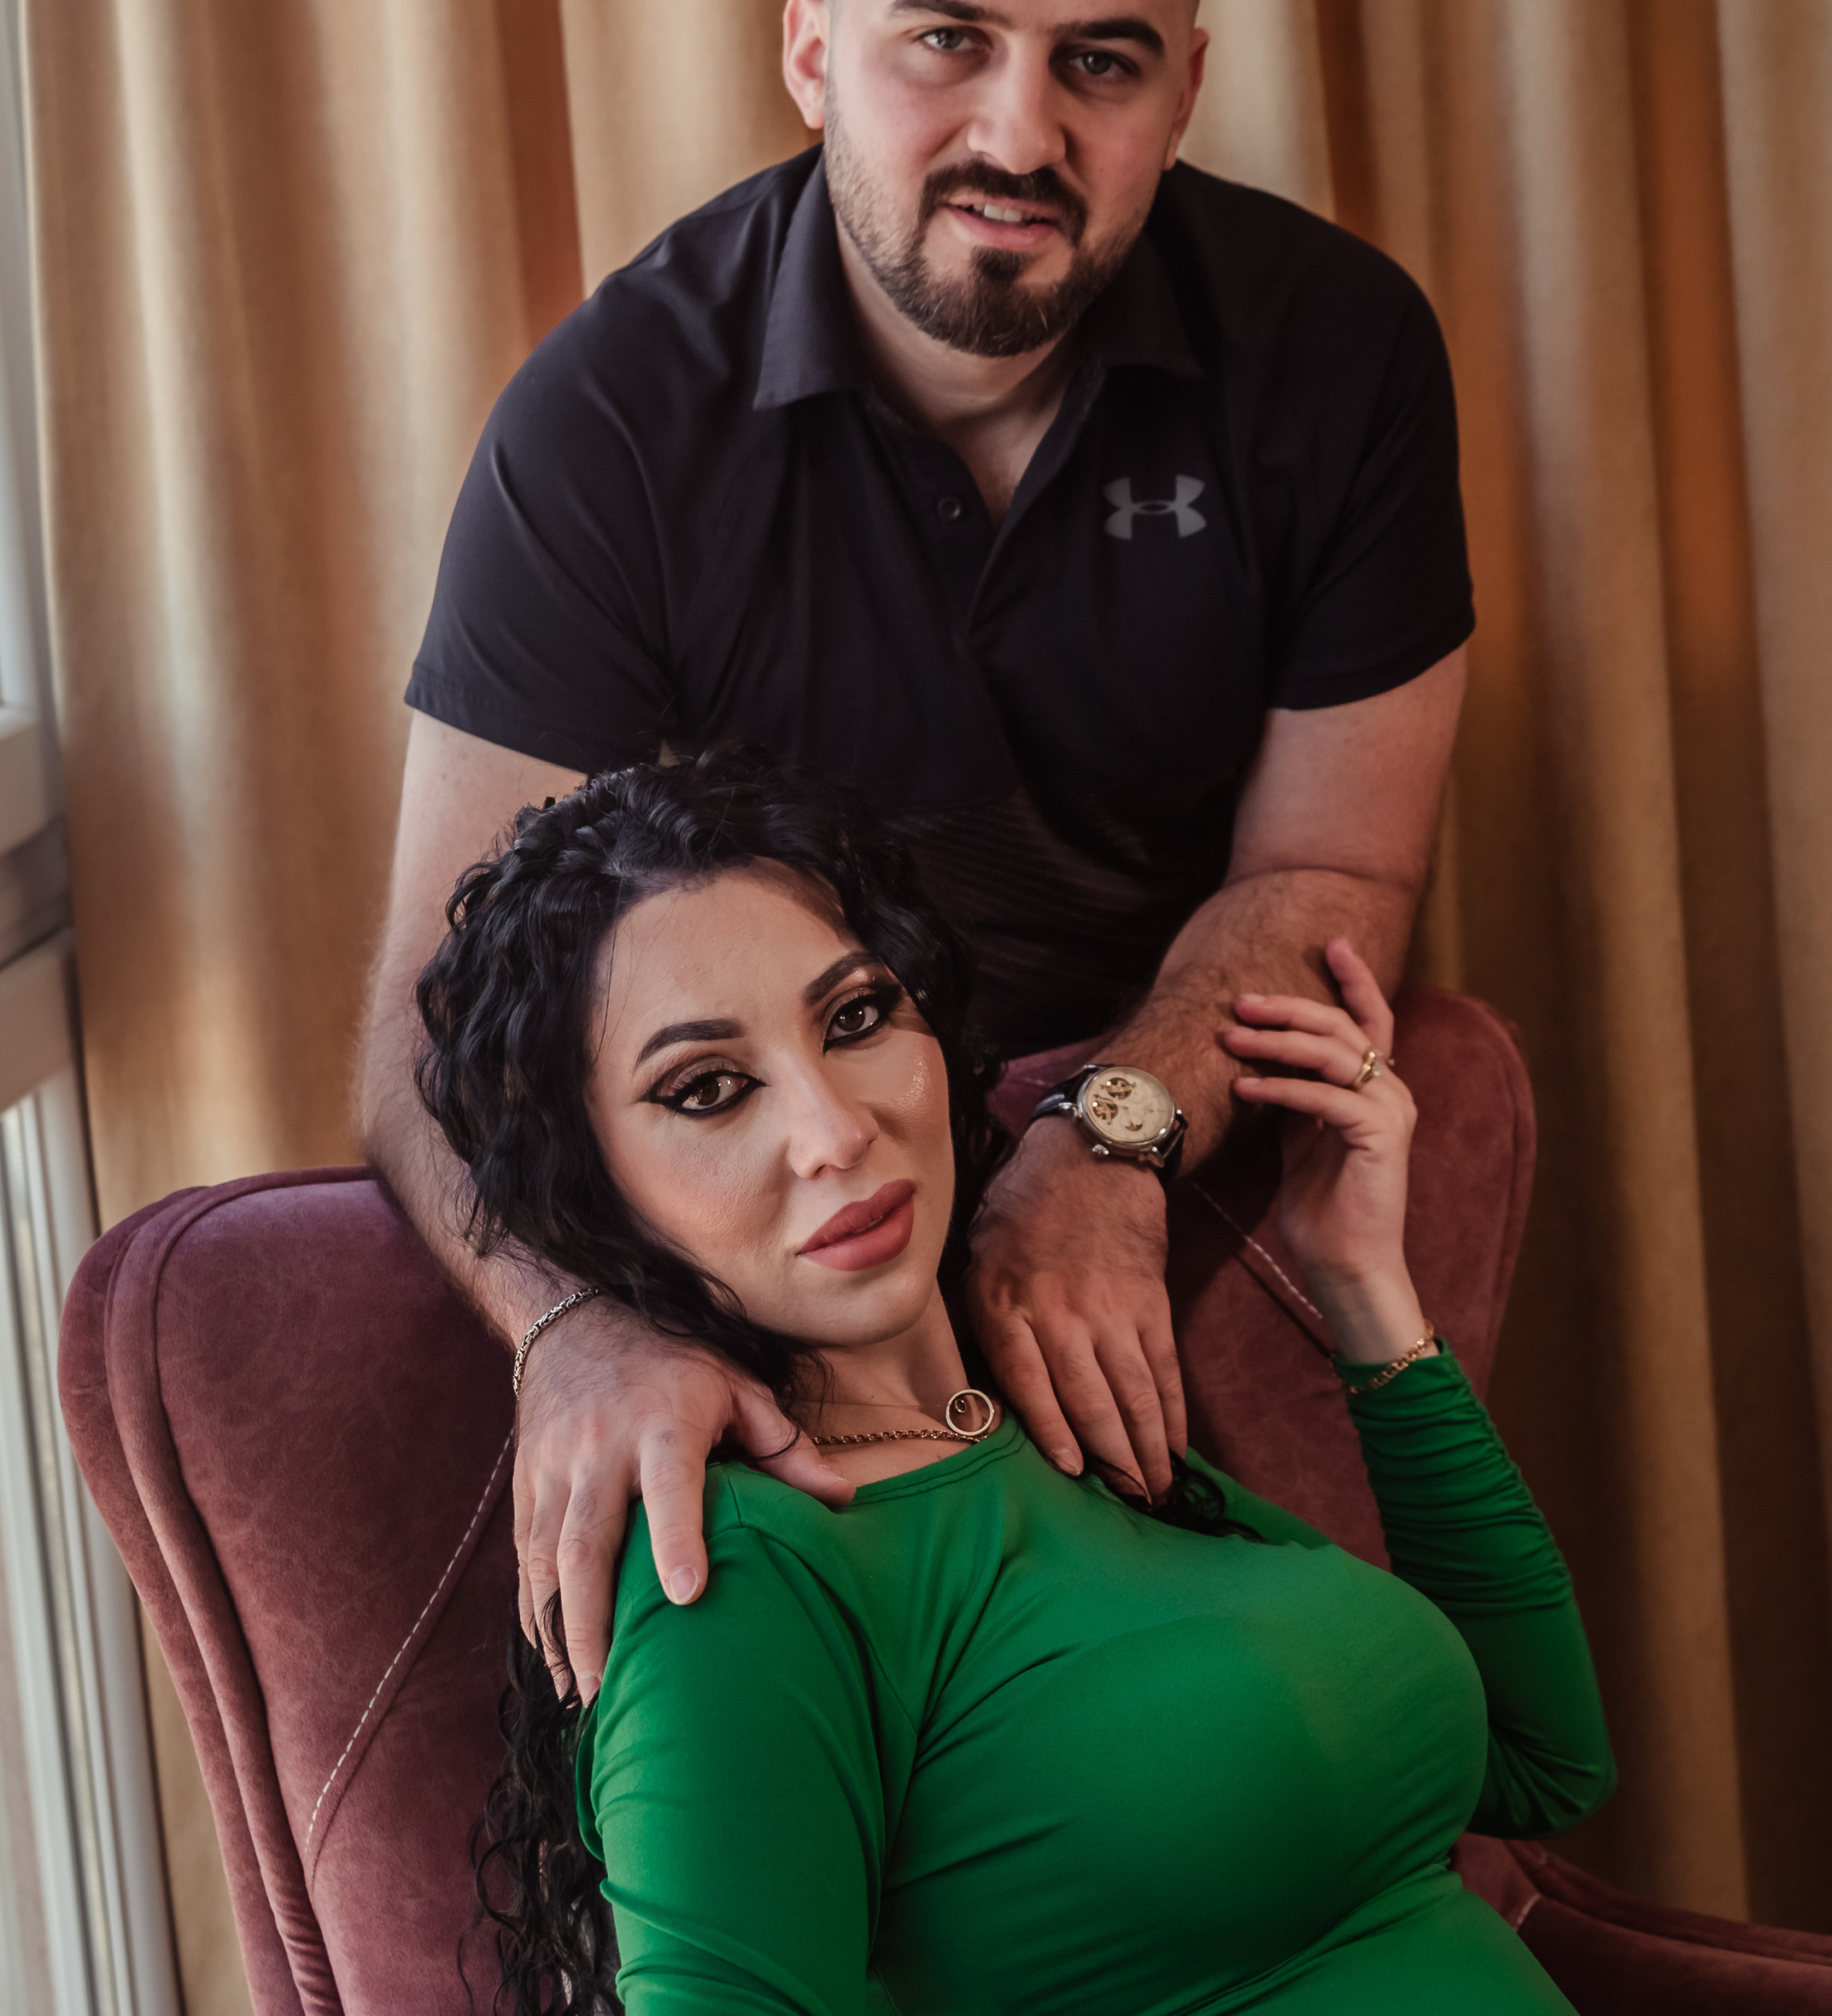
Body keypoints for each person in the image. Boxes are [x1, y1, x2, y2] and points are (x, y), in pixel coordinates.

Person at [357, 0, 1474, 1703]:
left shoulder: (1338, 347)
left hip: (1164, 1151)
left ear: (1185, 87)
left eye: (1099, 59)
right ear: (809, 48)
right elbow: (431, 1028)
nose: (1019, 137)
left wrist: (1106, 1142)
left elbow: (1330, 872)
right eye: (948, 37)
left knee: (1339, 1722)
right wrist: (577, 1322)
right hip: (789, 1213)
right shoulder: (609, 421)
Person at [426, 753, 1665, 2016]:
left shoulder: (1054, 1417)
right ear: (592, 1189)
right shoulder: (740, 1573)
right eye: (707, 1089)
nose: (835, 1133)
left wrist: (1363, 1288)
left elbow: (1543, 1760)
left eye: (855, 1017)